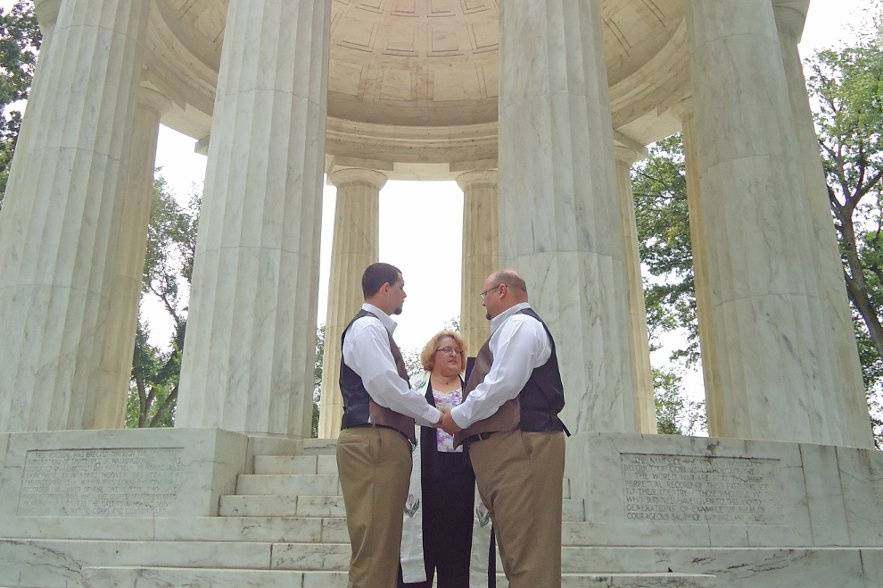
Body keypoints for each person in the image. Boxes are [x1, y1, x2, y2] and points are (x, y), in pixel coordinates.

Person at [440, 269, 568, 588]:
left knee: (529, 561)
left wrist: (460, 415)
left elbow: (503, 384)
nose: (482, 302)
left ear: (501, 292)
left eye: (484, 295)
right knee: (517, 557)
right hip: (508, 450)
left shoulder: (521, 325)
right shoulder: (508, 330)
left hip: (521, 446)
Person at [336, 262, 444, 588]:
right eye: (401, 286)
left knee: (381, 550)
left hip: (380, 442)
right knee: (374, 551)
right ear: (386, 289)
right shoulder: (368, 328)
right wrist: (438, 416)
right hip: (373, 441)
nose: (404, 293)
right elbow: (385, 386)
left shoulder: (374, 329)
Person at [400, 331, 475, 588]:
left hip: (464, 481)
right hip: (426, 480)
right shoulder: (416, 390)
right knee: (423, 549)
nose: (454, 354)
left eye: (457, 350)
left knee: (459, 555)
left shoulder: (473, 390)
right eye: (447, 349)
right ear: (432, 356)